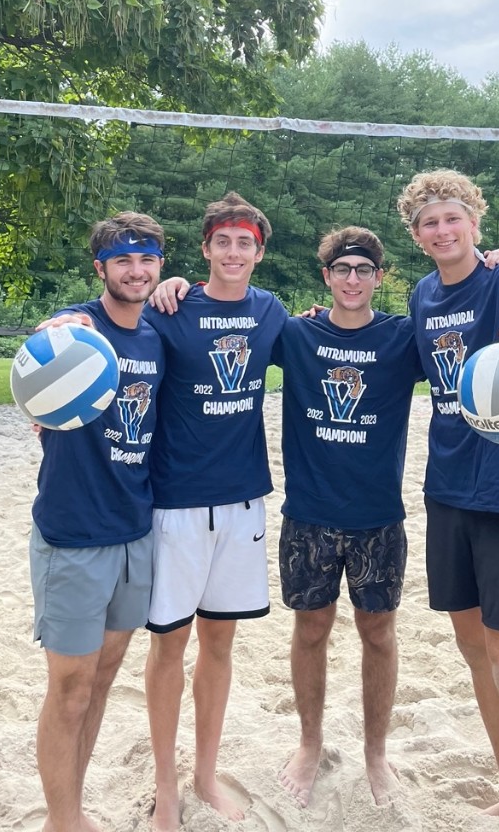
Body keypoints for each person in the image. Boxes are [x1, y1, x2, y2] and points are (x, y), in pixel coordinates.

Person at [398, 170, 499, 832]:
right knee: (475, 653)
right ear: (416, 235)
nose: (442, 230)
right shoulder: (422, 295)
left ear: (473, 221)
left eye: (452, 217)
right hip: (447, 493)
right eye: (429, 222)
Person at [143, 192, 288, 832]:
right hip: (175, 502)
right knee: (168, 646)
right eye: (222, 241)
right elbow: (110, 330)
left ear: (259, 251)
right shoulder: (171, 308)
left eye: (244, 243)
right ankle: (165, 786)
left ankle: (204, 773)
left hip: (242, 501)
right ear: (205, 248)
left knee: (219, 644)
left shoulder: (270, 311)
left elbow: (330, 337)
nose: (233, 252)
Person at [273, 226, 421, 809]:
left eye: (363, 270)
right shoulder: (296, 333)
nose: (352, 279)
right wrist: (176, 285)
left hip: (377, 516)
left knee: (378, 632)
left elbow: (469, 331)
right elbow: (220, 324)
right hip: (309, 514)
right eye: (342, 269)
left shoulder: (402, 337)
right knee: (311, 629)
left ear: (379, 277)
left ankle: (375, 753)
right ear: (326, 276)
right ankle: (309, 743)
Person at [27, 211, 166, 832]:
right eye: (122, 261)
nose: (136, 271)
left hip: (135, 529)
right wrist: (51, 329)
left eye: (147, 259)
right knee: (70, 688)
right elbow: (46, 343)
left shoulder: (157, 336)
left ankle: (73, 809)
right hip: (74, 533)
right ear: (100, 268)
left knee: (103, 678)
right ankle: (62, 822)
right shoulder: (79, 329)